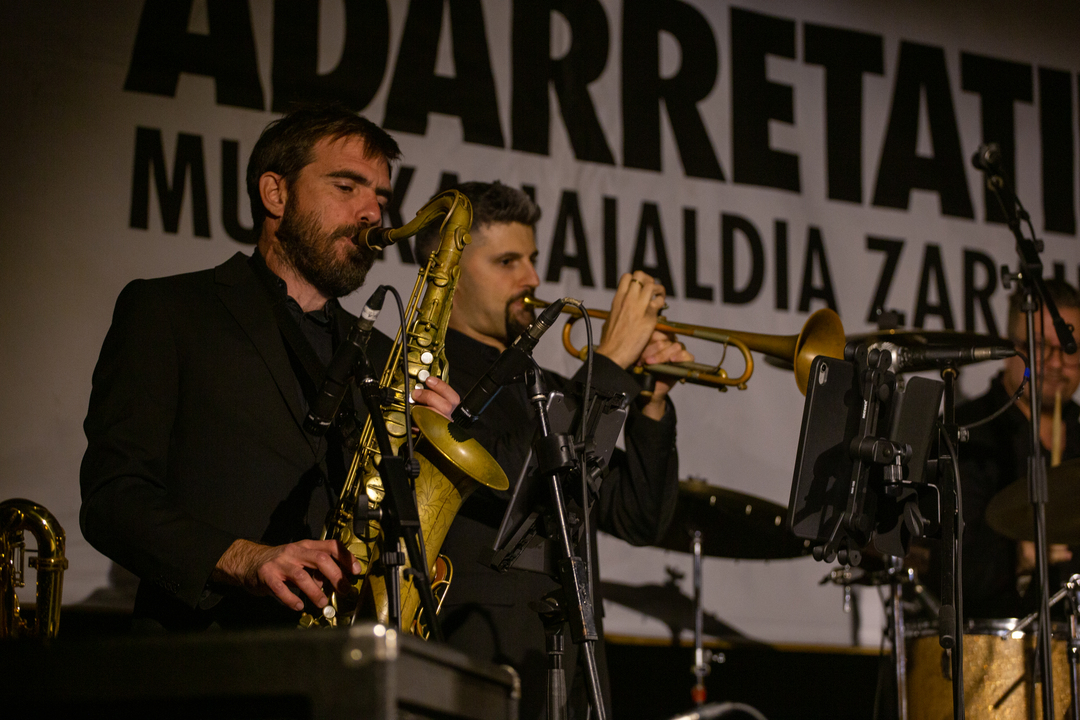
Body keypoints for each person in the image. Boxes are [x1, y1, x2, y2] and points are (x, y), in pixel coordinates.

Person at [79, 105, 459, 632]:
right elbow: (111, 500)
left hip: (339, 655)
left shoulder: (382, 359)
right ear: (275, 194)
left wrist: (423, 450)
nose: (373, 213)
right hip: (201, 650)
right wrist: (242, 558)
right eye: (346, 186)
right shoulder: (169, 311)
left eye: (381, 197)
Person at [415, 181, 691, 718]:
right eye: (507, 262)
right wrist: (608, 364)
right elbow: (509, 470)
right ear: (446, 271)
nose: (533, 279)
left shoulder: (551, 388)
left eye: (533, 259)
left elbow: (639, 518)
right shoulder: (427, 375)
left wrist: (652, 404)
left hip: (572, 669)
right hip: (480, 658)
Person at [955, 278, 1080, 619]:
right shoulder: (966, 431)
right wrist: (1020, 557)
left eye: (1070, 349)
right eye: (1040, 346)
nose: (1057, 364)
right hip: (991, 640)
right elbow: (942, 567)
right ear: (1012, 347)